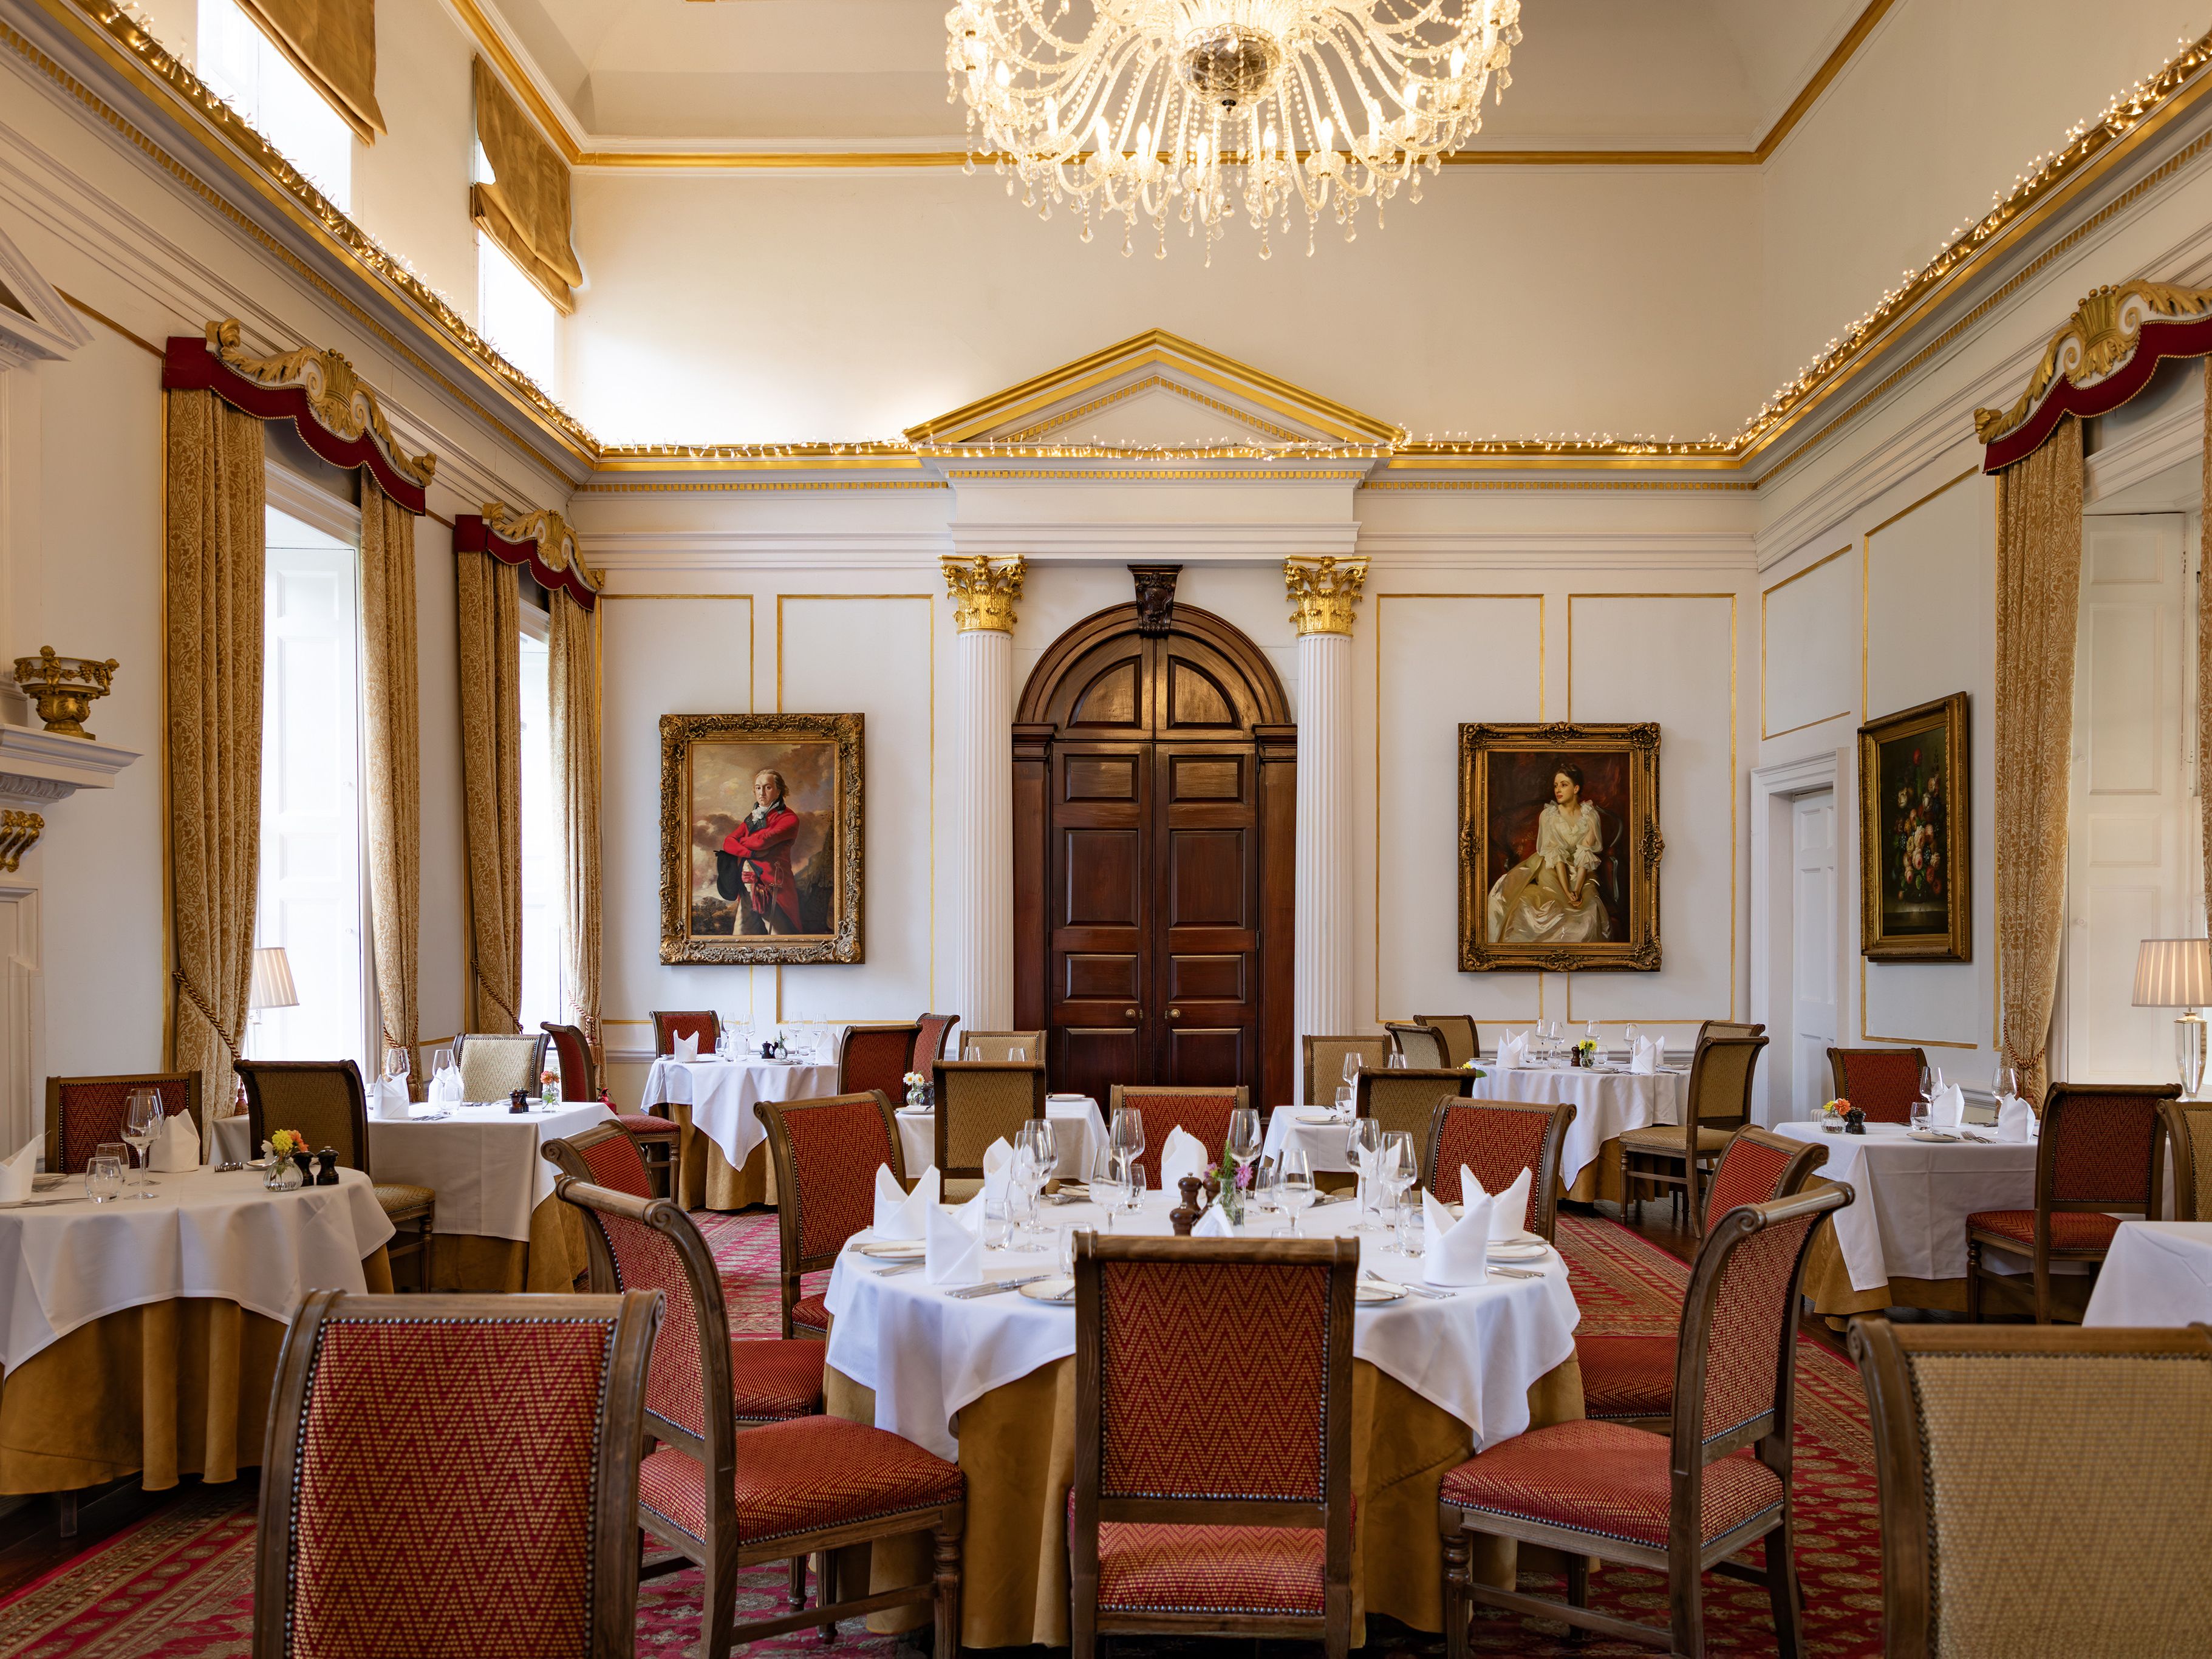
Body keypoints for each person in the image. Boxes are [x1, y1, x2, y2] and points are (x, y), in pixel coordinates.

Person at [1485, 762, 1611, 944]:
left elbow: (1585, 855)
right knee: (1543, 906)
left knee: (1589, 908)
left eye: (1564, 785)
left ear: (1576, 788)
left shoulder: (1590, 816)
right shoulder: (1549, 816)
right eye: (1555, 785)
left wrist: (1576, 890)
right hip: (1552, 868)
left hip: (1581, 870)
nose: (1558, 790)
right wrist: (1567, 891)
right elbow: (1556, 855)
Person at [722, 768, 801, 933]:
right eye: (758, 788)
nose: (762, 793)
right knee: (742, 934)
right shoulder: (753, 817)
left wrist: (741, 842)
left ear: (779, 791)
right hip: (747, 885)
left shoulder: (788, 818)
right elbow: (728, 843)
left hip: (773, 886)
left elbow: (761, 842)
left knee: (779, 935)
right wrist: (750, 854)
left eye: (768, 787)